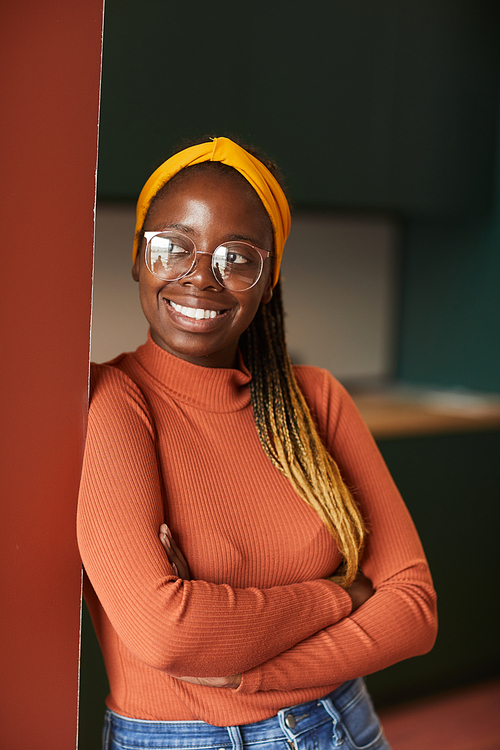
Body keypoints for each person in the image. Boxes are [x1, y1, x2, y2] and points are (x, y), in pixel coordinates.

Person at [77, 136, 437, 750]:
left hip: (338, 724)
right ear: (139, 257)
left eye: (237, 258)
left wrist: (252, 671)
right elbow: (170, 635)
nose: (201, 278)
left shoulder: (315, 400)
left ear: (268, 281)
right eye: (173, 247)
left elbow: (413, 610)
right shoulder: (111, 400)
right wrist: (340, 595)